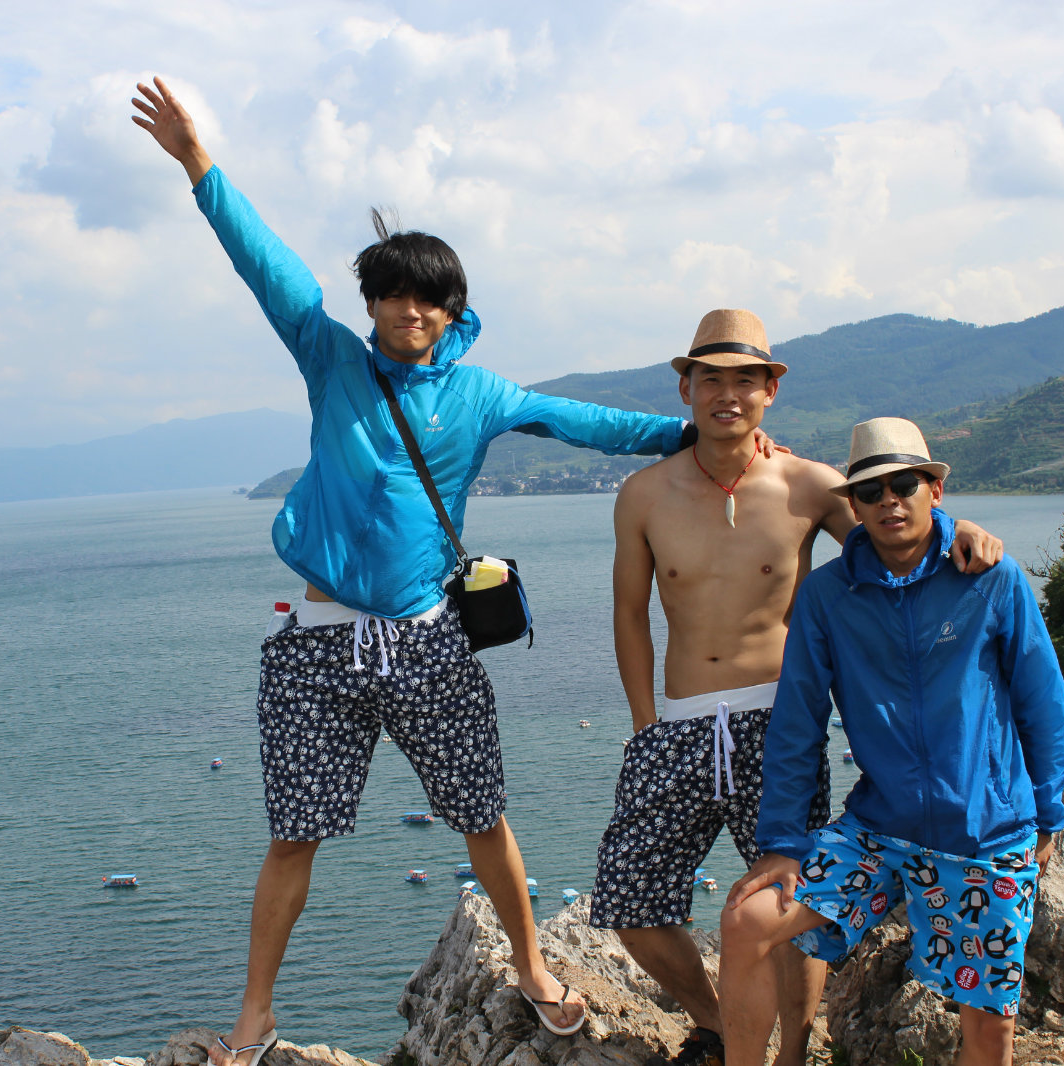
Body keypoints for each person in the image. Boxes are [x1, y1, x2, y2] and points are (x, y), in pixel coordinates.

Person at [129, 78, 773, 1066]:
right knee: (292, 835)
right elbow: (270, 267)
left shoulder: (478, 394)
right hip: (318, 642)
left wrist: (709, 432)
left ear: (451, 308)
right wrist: (197, 163)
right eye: (391, 294)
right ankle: (255, 1015)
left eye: (427, 296)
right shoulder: (332, 360)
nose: (408, 310)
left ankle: (533, 968)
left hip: (428, 638)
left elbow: (588, 424)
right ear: (371, 303)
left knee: (481, 815)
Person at [588, 313, 1003, 1066]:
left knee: (791, 904)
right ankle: (716, 1023)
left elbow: (894, 536)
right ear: (685, 388)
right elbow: (628, 613)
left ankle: (794, 1052)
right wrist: (646, 722)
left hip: (779, 723)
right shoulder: (642, 494)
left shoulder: (808, 484)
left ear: (771, 390)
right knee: (628, 898)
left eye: (745, 379)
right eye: (711, 378)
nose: (728, 394)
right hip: (677, 722)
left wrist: (959, 526)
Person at [717, 417, 1064, 1066]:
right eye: (871, 491)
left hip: (986, 835)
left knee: (988, 1032)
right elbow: (797, 722)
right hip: (880, 831)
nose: (889, 501)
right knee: (746, 919)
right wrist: (781, 843)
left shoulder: (991, 577)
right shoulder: (828, 596)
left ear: (934, 490)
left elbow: (1043, 701)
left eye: (904, 484)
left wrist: (1048, 814)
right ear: (853, 507)